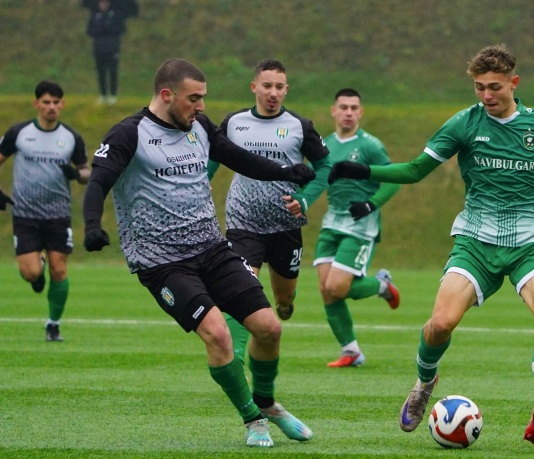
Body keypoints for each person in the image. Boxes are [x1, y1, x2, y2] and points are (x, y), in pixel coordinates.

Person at [328, 45, 534, 445]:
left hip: (532, 241)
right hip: (476, 239)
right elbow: (416, 170)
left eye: (494, 87)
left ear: (514, 82)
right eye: (479, 87)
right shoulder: (464, 123)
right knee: (440, 325)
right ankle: (424, 383)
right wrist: (362, 169)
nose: (486, 95)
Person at [82, 58, 316, 448]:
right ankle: (253, 419)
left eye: (203, 98)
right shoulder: (129, 133)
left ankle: (267, 402)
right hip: (162, 262)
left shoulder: (200, 127)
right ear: (166, 94)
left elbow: (238, 158)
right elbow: (98, 183)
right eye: (193, 98)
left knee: (269, 328)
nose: (201, 106)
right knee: (218, 334)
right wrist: (92, 225)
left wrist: (285, 172)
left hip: (212, 248)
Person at [206, 59, 331, 364]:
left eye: (279, 87)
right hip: (243, 220)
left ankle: (286, 303)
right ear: (254, 87)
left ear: (286, 90)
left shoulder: (300, 126)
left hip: (285, 224)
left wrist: (305, 199)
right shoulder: (234, 122)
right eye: (266, 86)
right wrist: (200, 184)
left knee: (283, 300)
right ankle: (235, 355)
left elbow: (325, 166)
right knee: (241, 286)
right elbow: (212, 158)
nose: (272, 93)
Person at [314, 88, 401, 368]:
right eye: (343, 107)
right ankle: (351, 352)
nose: (348, 112)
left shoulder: (370, 145)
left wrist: (370, 204)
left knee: (337, 286)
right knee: (327, 290)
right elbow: (317, 178)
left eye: (354, 108)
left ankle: (382, 286)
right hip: (332, 222)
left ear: (360, 113)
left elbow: (395, 179)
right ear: (334, 111)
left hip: (361, 225)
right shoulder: (325, 145)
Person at [0, 80, 90, 342]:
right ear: (36, 104)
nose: (51, 107)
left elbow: (87, 172)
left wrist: (76, 174)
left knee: (59, 269)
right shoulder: (19, 133)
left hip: (58, 215)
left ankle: (53, 324)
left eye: (56, 102)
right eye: (46, 102)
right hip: (25, 214)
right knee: (31, 273)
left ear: (62, 105)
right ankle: (35, 268)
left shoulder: (71, 137)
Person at [87, 0, 126, 105]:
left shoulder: (115, 16)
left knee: (113, 72)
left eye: (105, 3)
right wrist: (101, 28)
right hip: (99, 49)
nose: (103, 5)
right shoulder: (95, 16)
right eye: (101, 3)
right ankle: (103, 94)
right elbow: (90, 30)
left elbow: (121, 29)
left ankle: (113, 95)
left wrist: (108, 27)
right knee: (101, 72)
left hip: (112, 49)